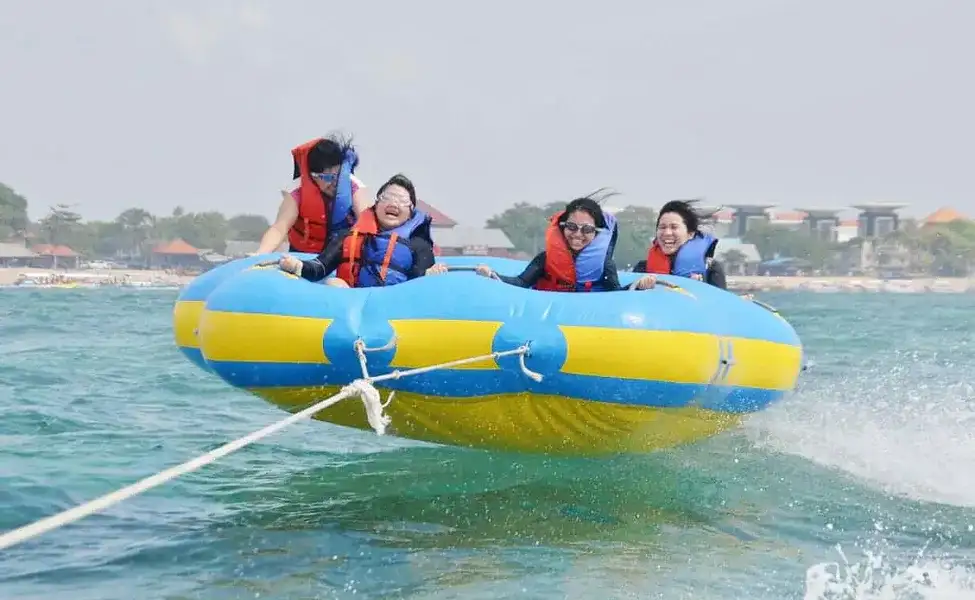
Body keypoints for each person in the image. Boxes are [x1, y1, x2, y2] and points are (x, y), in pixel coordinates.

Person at [278, 174, 448, 287]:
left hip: (394, 306)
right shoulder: (348, 236)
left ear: (411, 211)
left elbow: (418, 280)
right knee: (334, 283)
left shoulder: (418, 245)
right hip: (353, 307)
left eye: (402, 200)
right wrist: (298, 266)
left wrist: (429, 275)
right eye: (387, 197)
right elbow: (320, 266)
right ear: (376, 205)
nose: (394, 204)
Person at [474, 194, 622, 291]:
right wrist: (491, 275)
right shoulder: (545, 259)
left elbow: (618, 295)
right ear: (562, 226)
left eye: (587, 229)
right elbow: (521, 283)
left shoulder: (605, 264)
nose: (577, 234)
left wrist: (639, 286)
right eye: (571, 227)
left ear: (596, 232)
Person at [256, 135, 374, 254]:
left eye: (338, 176)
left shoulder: (355, 187)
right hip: (302, 255)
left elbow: (369, 225)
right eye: (327, 177)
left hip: (339, 256)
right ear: (312, 176)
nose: (334, 182)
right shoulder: (297, 191)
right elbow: (279, 228)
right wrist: (260, 254)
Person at [631, 199, 727, 290]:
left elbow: (720, 303)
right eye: (662, 227)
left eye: (674, 227)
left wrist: (698, 287)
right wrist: (639, 288)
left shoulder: (710, 268)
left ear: (690, 234)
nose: (667, 233)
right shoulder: (642, 269)